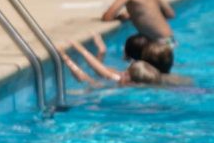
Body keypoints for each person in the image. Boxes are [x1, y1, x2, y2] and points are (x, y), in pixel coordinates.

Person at [58, 34, 190, 87]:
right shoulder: (177, 79)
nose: (123, 73)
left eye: (126, 73)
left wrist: (68, 55)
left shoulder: (124, 79)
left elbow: (91, 76)